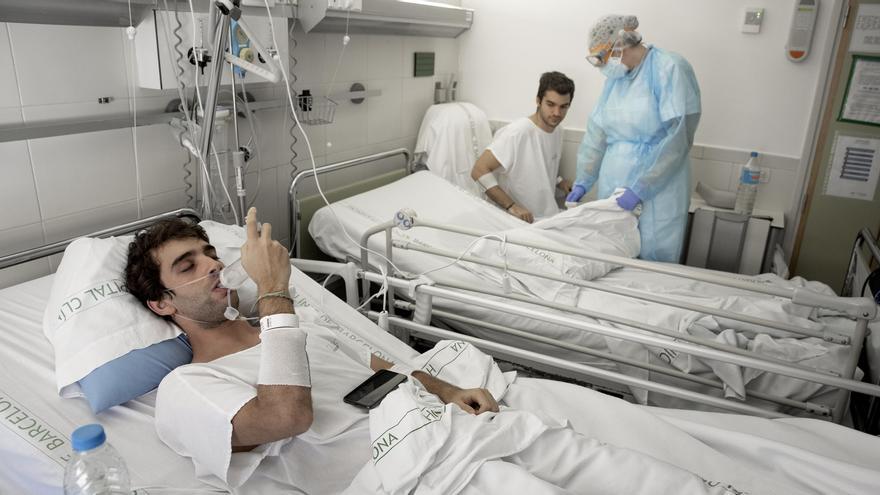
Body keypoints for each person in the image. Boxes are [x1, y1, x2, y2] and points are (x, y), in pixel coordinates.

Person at [122, 208, 739, 494]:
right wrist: (276, 294)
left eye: (208, 253)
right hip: (410, 474)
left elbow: (377, 371)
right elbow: (287, 417)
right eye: (187, 265)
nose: (210, 267)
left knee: (611, 464)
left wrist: (447, 390)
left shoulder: (289, 326)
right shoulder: (186, 389)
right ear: (162, 305)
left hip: (448, 424)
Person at [565, 15, 701, 262]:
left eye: (604, 57)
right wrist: (583, 180)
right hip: (614, 185)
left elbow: (678, 136)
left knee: (654, 258)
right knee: (612, 255)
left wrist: (642, 187)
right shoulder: (615, 82)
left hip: (660, 190)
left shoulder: (669, 68)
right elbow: (597, 133)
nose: (604, 65)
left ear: (621, 43)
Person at [470, 71, 575, 223]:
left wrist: (560, 181)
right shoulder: (518, 132)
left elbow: (540, 164)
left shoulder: (558, 131)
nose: (557, 113)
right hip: (515, 222)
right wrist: (511, 206)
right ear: (538, 101)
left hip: (545, 217)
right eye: (550, 105)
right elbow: (479, 170)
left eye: (563, 107)